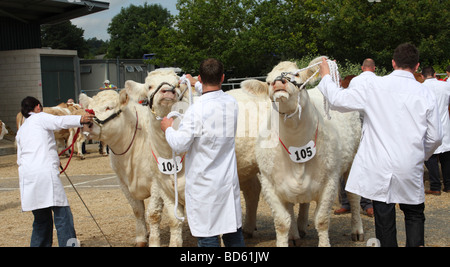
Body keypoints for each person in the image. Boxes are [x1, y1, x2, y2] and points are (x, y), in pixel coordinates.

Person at [318, 43, 442, 247]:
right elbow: (435, 136)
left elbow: (338, 100)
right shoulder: (425, 93)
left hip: (380, 165)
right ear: (417, 66)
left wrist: (325, 76)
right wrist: (421, 155)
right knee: (414, 215)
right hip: (410, 165)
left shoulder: (373, 87)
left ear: (393, 63)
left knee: (384, 219)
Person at [160, 58, 245, 247]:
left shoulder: (195, 110)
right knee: (233, 234)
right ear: (223, 78)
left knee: (208, 237)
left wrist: (167, 128)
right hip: (227, 182)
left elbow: (179, 144)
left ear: (200, 76)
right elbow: (212, 94)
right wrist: (195, 84)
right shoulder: (231, 102)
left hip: (204, 186)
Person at [16, 96, 94, 247]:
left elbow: (20, 158)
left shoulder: (22, 129)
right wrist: (81, 119)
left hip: (28, 177)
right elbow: (60, 122)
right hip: (44, 173)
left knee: (41, 219)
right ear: (38, 107)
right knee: (63, 215)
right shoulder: (40, 117)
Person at [335, 58, 377, 217]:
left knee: (347, 162)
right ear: (374, 68)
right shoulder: (380, 81)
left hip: (354, 123)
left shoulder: (355, 82)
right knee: (363, 164)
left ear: (362, 67)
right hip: (368, 125)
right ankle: (367, 204)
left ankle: (347, 202)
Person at [422, 66, 450, 195]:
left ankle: (435, 186)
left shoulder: (421, 88)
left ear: (422, 76)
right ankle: (448, 185)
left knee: (431, 156)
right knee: (446, 156)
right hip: (445, 124)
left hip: (429, 125)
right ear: (435, 74)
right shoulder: (445, 86)